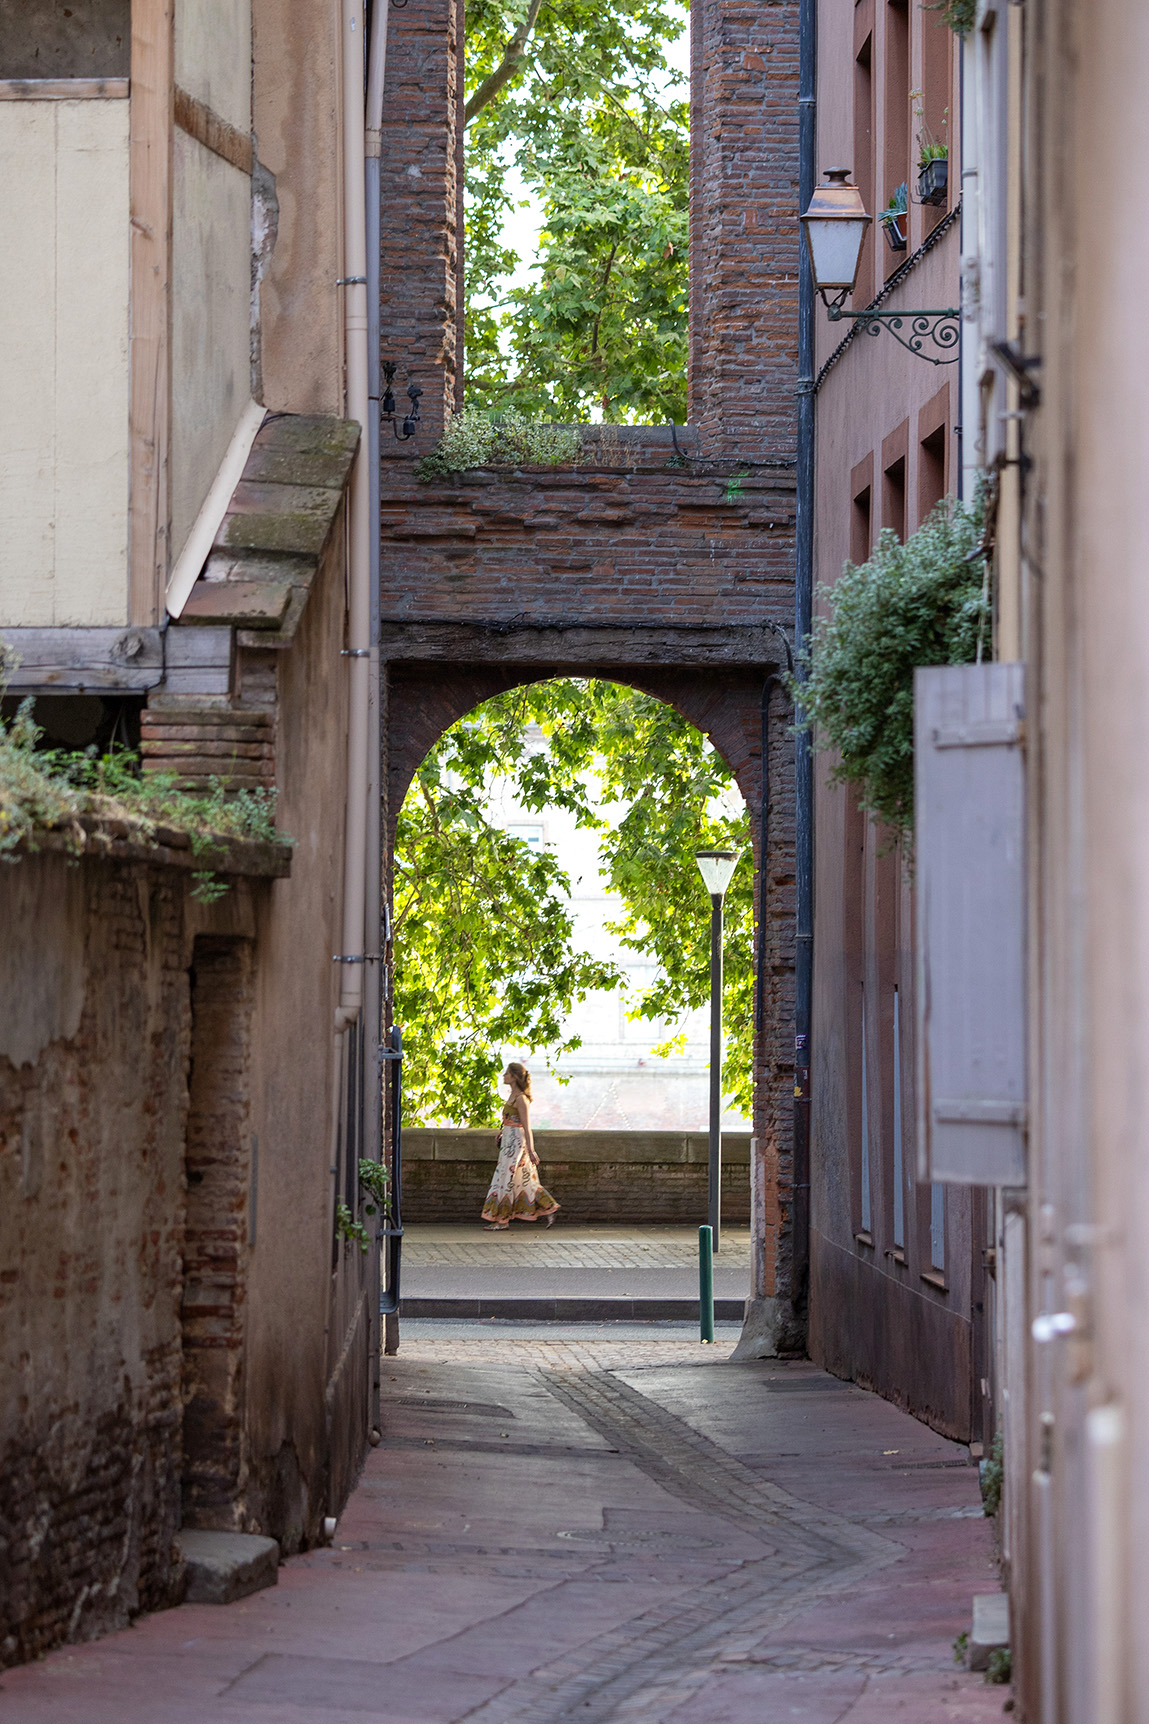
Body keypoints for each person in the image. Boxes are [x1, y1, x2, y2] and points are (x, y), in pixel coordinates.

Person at [481, 1062, 560, 1230]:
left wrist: (531, 1150)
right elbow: (510, 1121)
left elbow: (526, 1126)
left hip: (516, 1145)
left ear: (515, 1077)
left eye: (507, 1073)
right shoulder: (512, 1096)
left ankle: (502, 1221)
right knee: (521, 1181)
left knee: (507, 1179)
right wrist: (502, 1133)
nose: (504, 1076)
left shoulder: (521, 1099)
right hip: (508, 1143)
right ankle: (549, 1208)